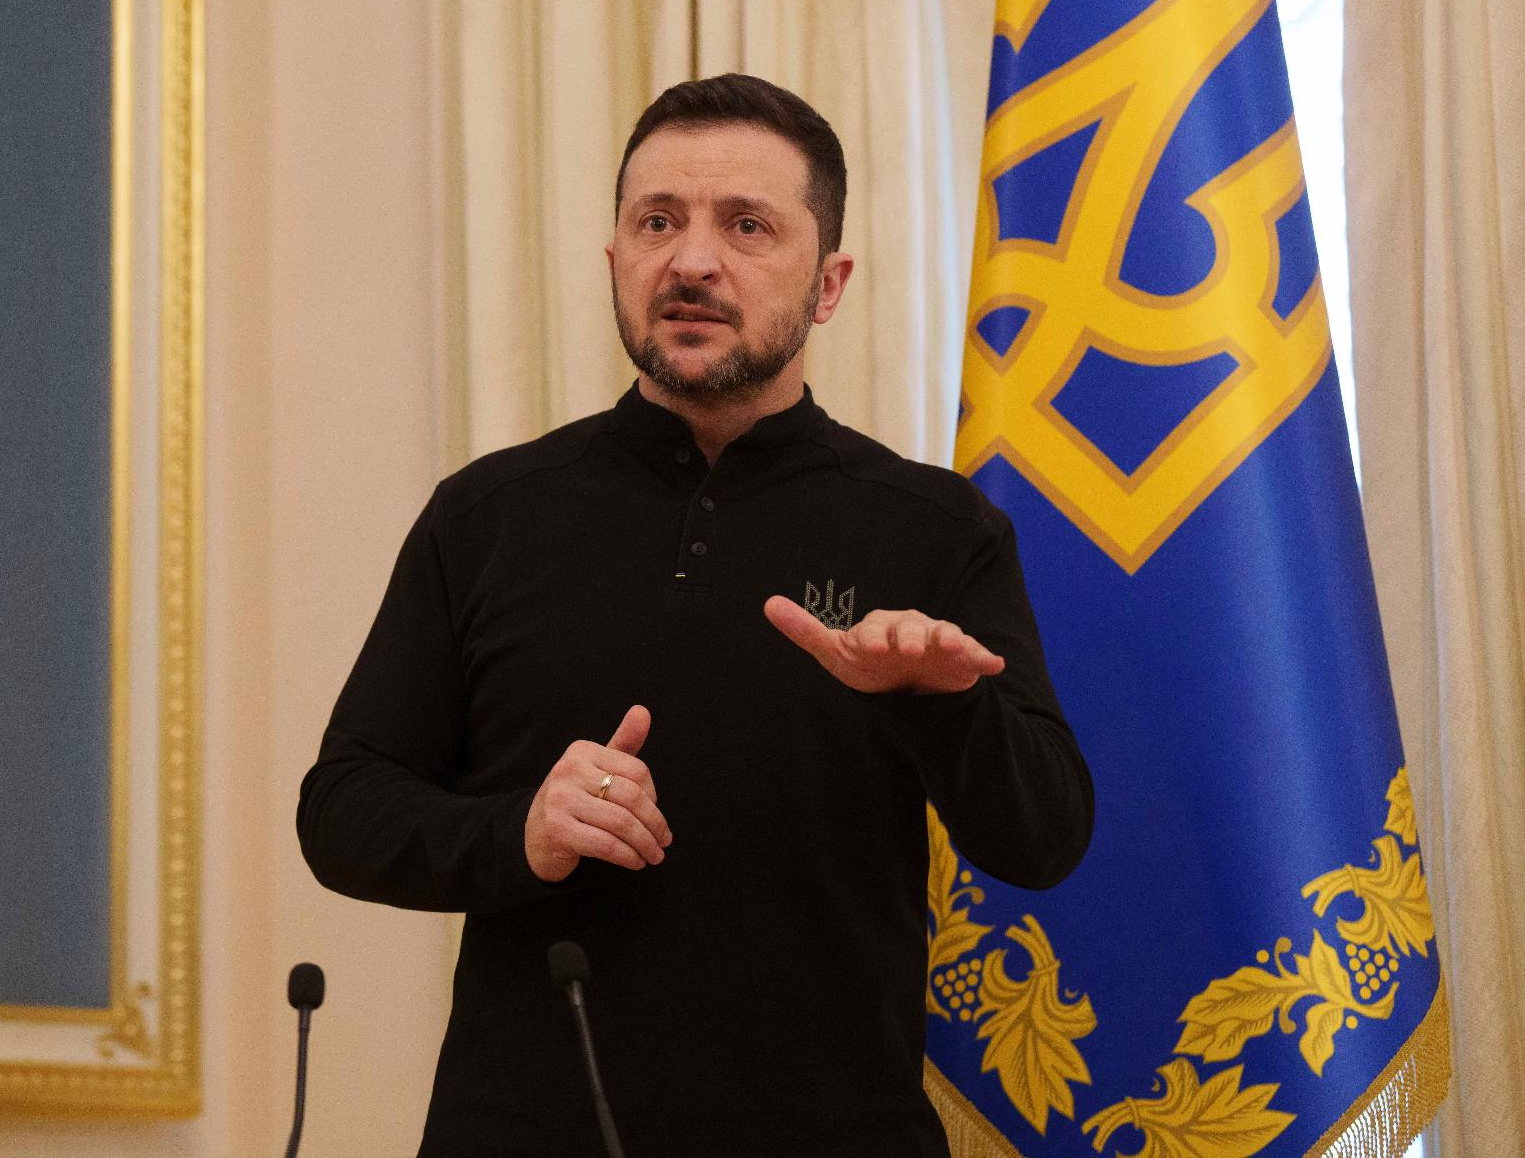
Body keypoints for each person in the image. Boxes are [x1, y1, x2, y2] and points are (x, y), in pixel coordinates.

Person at [297, 74, 1094, 1157]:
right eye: (656, 221)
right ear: (614, 258)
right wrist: (516, 831)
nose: (692, 260)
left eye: (748, 225)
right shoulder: (487, 515)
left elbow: (1045, 838)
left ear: (828, 283)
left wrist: (941, 708)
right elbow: (341, 807)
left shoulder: (933, 529)